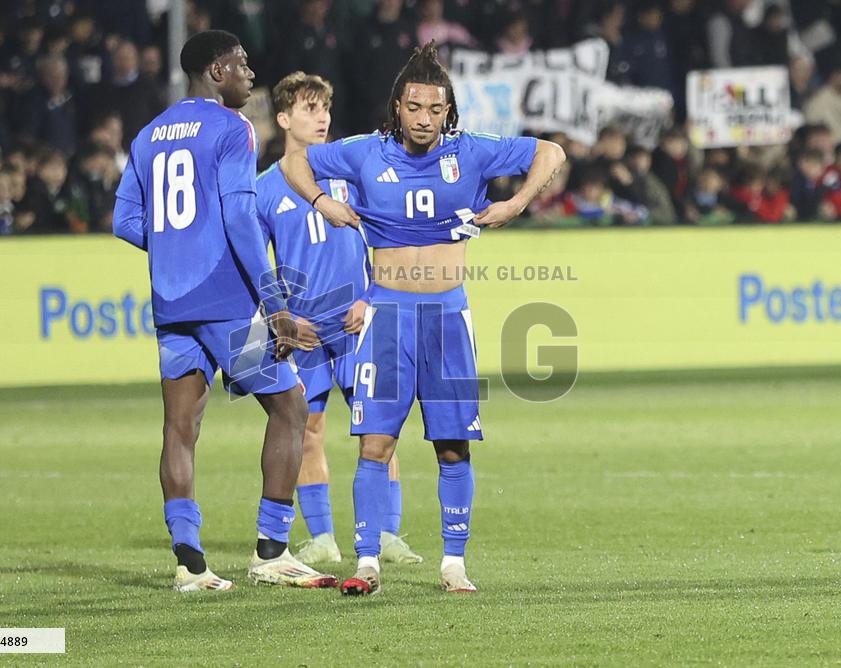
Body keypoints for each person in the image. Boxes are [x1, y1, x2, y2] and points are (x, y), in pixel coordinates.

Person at [280, 41, 565, 595]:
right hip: (386, 314)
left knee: (453, 445)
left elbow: (550, 152)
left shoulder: (473, 152)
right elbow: (293, 159)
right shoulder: (365, 152)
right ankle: (367, 561)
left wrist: (516, 203)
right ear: (397, 106)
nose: (425, 120)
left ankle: (453, 562)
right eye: (415, 108)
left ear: (448, 111)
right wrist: (320, 201)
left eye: (436, 110)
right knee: (375, 443)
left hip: (448, 316)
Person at [112, 30, 336, 592]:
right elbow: (239, 221)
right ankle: (271, 550)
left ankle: (190, 565)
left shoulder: (147, 136)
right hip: (226, 301)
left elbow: (123, 222)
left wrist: (174, 246)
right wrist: (276, 303)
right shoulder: (231, 128)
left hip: (172, 303)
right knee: (290, 407)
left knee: (179, 427)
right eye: (240, 65)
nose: (250, 74)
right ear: (216, 71)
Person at [256, 71, 423, 566]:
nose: (322, 117)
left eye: (325, 107)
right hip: (303, 331)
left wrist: (369, 297)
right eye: (309, 108)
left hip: (356, 319)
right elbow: (256, 263)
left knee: (379, 426)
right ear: (284, 118)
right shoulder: (264, 189)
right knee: (307, 429)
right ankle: (323, 537)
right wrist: (280, 319)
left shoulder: (349, 171)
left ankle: (387, 533)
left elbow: (391, 237)